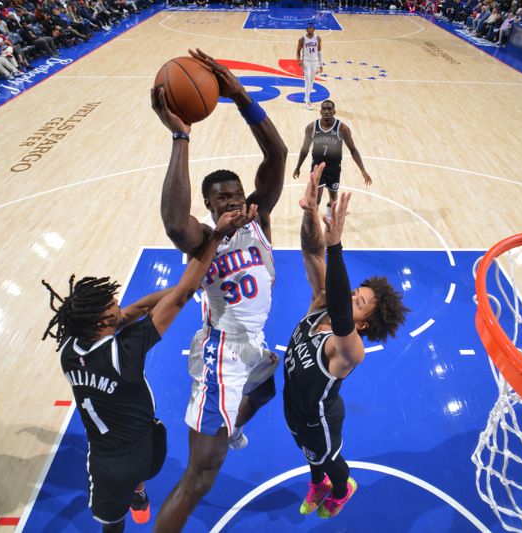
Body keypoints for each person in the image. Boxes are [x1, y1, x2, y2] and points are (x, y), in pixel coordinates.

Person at [40, 206, 257, 533]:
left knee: (111, 525)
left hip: (104, 461)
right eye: (111, 304)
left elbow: (134, 311)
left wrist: (185, 289)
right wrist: (215, 238)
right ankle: (139, 491)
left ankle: (135, 496)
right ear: (102, 321)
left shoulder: (69, 351)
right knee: (140, 471)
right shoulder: (124, 351)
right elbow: (178, 297)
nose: (118, 304)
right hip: (145, 447)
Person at [150, 48, 287, 532]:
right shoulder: (203, 241)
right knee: (199, 479)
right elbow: (171, 221)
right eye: (221, 198)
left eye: (237, 194)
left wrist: (241, 96)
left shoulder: (260, 220)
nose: (233, 201)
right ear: (209, 207)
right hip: (222, 357)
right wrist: (180, 136)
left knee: (269, 384)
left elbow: (277, 156)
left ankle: (234, 425)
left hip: (252, 346)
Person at [283, 164, 409, 518]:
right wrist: (310, 213)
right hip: (292, 401)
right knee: (309, 454)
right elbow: (311, 252)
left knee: (328, 458)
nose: (352, 297)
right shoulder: (322, 303)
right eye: (355, 293)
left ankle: (340, 489)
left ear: (365, 324)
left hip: (319, 417)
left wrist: (336, 247)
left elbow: (340, 314)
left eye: (360, 301)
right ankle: (317, 482)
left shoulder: (349, 350)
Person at [293, 99, 373, 211]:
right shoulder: (311, 127)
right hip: (317, 168)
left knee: (333, 198)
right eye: (324, 109)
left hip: (334, 169)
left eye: (329, 109)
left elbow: (353, 150)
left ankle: (330, 216)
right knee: (316, 199)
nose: (326, 111)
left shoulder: (342, 129)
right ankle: (313, 222)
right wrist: (298, 167)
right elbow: (305, 149)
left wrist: (363, 170)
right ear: (320, 112)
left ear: (334, 111)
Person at [297, 22, 322, 110]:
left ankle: (306, 96)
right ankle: (307, 100)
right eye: (309, 28)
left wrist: (320, 64)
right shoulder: (302, 39)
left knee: (311, 81)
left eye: (312, 28)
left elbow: (319, 52)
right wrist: (299, 60)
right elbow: (298, 51)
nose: (310, 29)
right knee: (307, 80)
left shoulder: (318, 38)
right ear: (306, 29)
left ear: (314, 29)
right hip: (306, 61)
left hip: (315, 61)